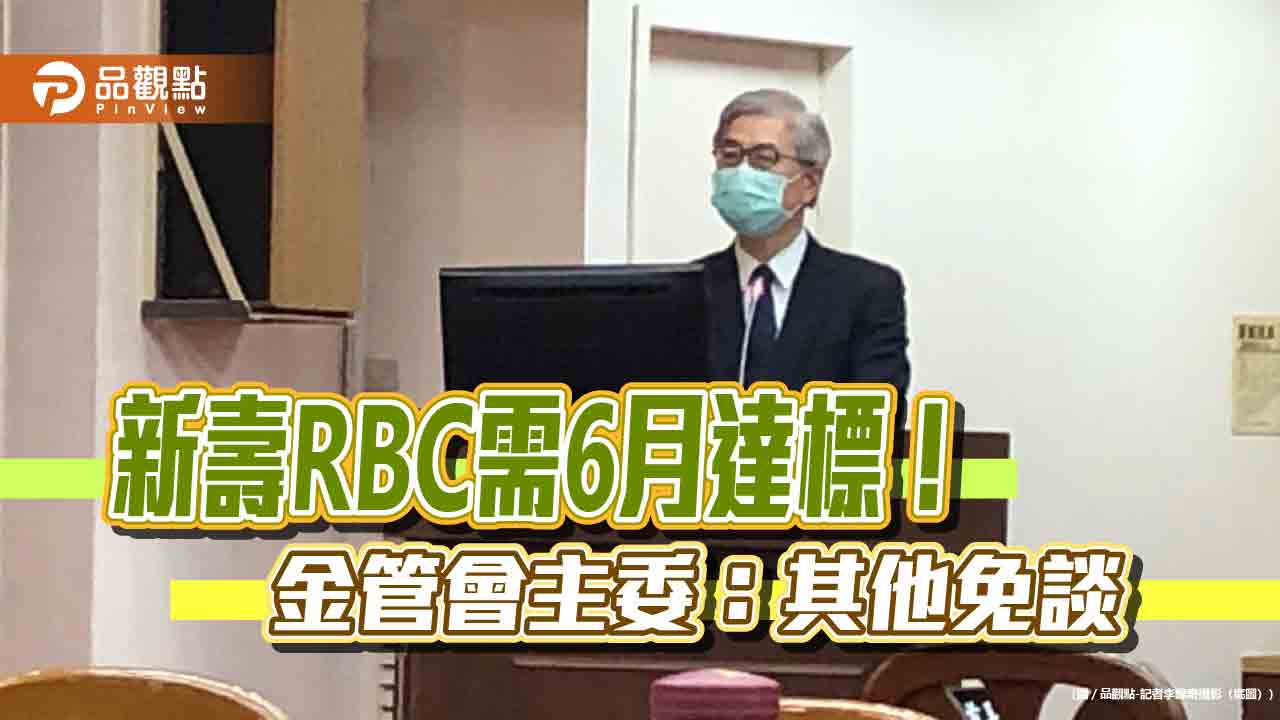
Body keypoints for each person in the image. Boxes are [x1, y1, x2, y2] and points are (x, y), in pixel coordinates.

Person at [699, 88, 911, 421]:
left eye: (763, 158)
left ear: (810, 184)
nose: (741, 172)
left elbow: (875, 419)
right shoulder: (690, 288)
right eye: (730, 155)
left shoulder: (867, 291)